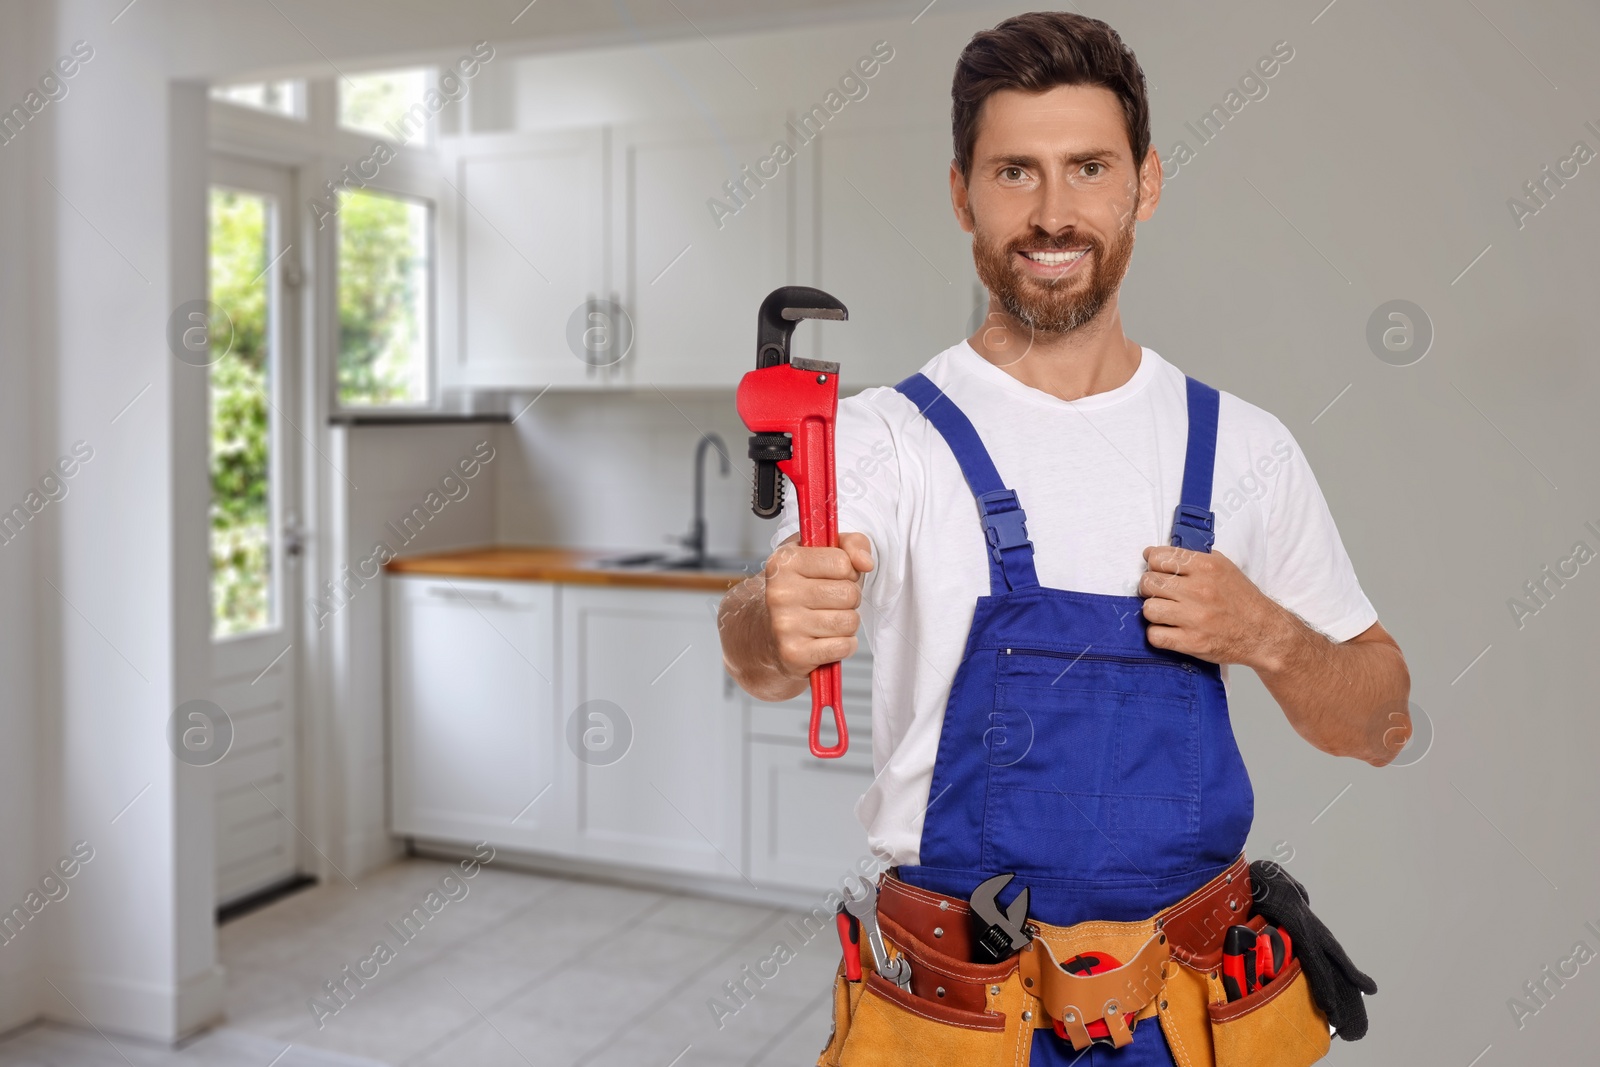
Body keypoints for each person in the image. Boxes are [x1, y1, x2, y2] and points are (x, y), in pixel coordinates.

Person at [719, 11, 1409, 1065]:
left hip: (1187, 1016)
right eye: (1013, 172)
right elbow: (754, 653)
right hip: (953, 1015)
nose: (1052, 212)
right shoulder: (880, 438)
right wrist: (771, 622)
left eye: (1088, 167)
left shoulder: (1242, 448)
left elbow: (1381, 721)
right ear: (961, 193)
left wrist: (1267, 631)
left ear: (1146, 182)